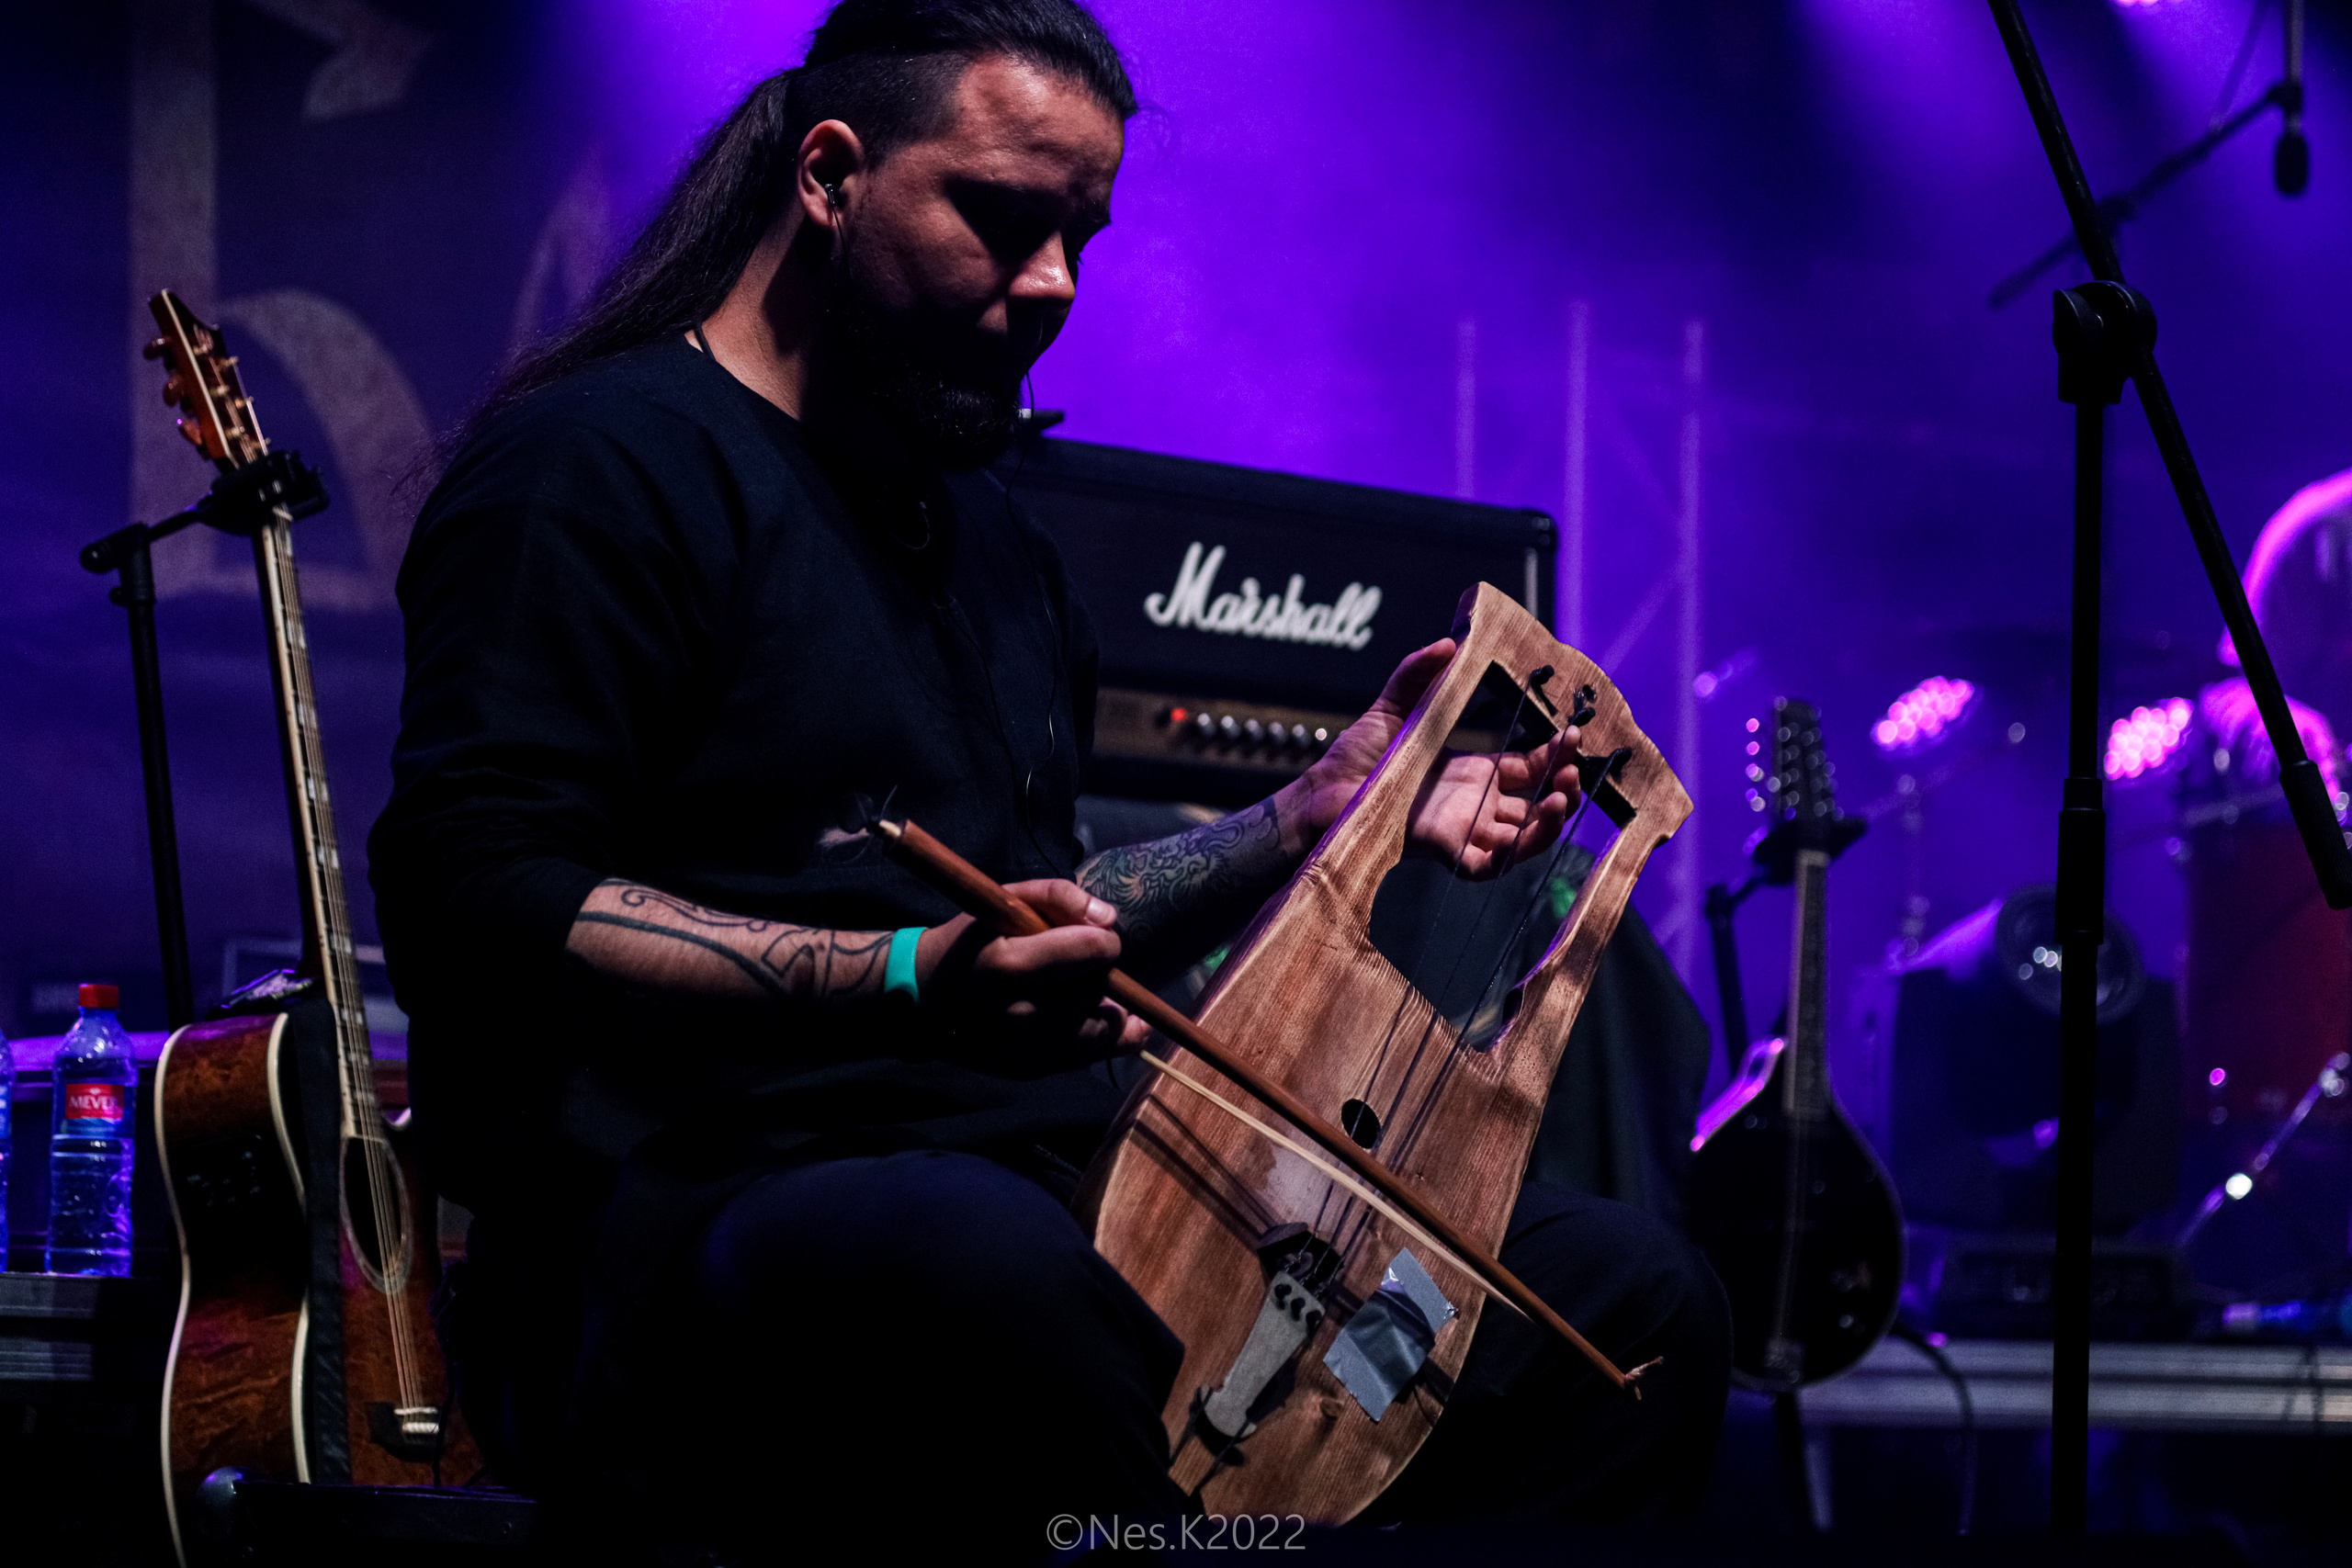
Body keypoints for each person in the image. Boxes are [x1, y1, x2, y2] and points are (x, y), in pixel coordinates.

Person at [370, 2, 1729, 1558]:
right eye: (1003, 223)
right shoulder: (597, 467)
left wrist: (1317, 813)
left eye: (1081, 235)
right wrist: (898, 970)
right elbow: (478, 891)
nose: (1055, 286)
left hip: (1040, 1165)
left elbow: (1060, 908)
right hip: (693, 1216)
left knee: (1632, 1312)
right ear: (830, 173)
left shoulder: (992, 540)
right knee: (994, 1279)